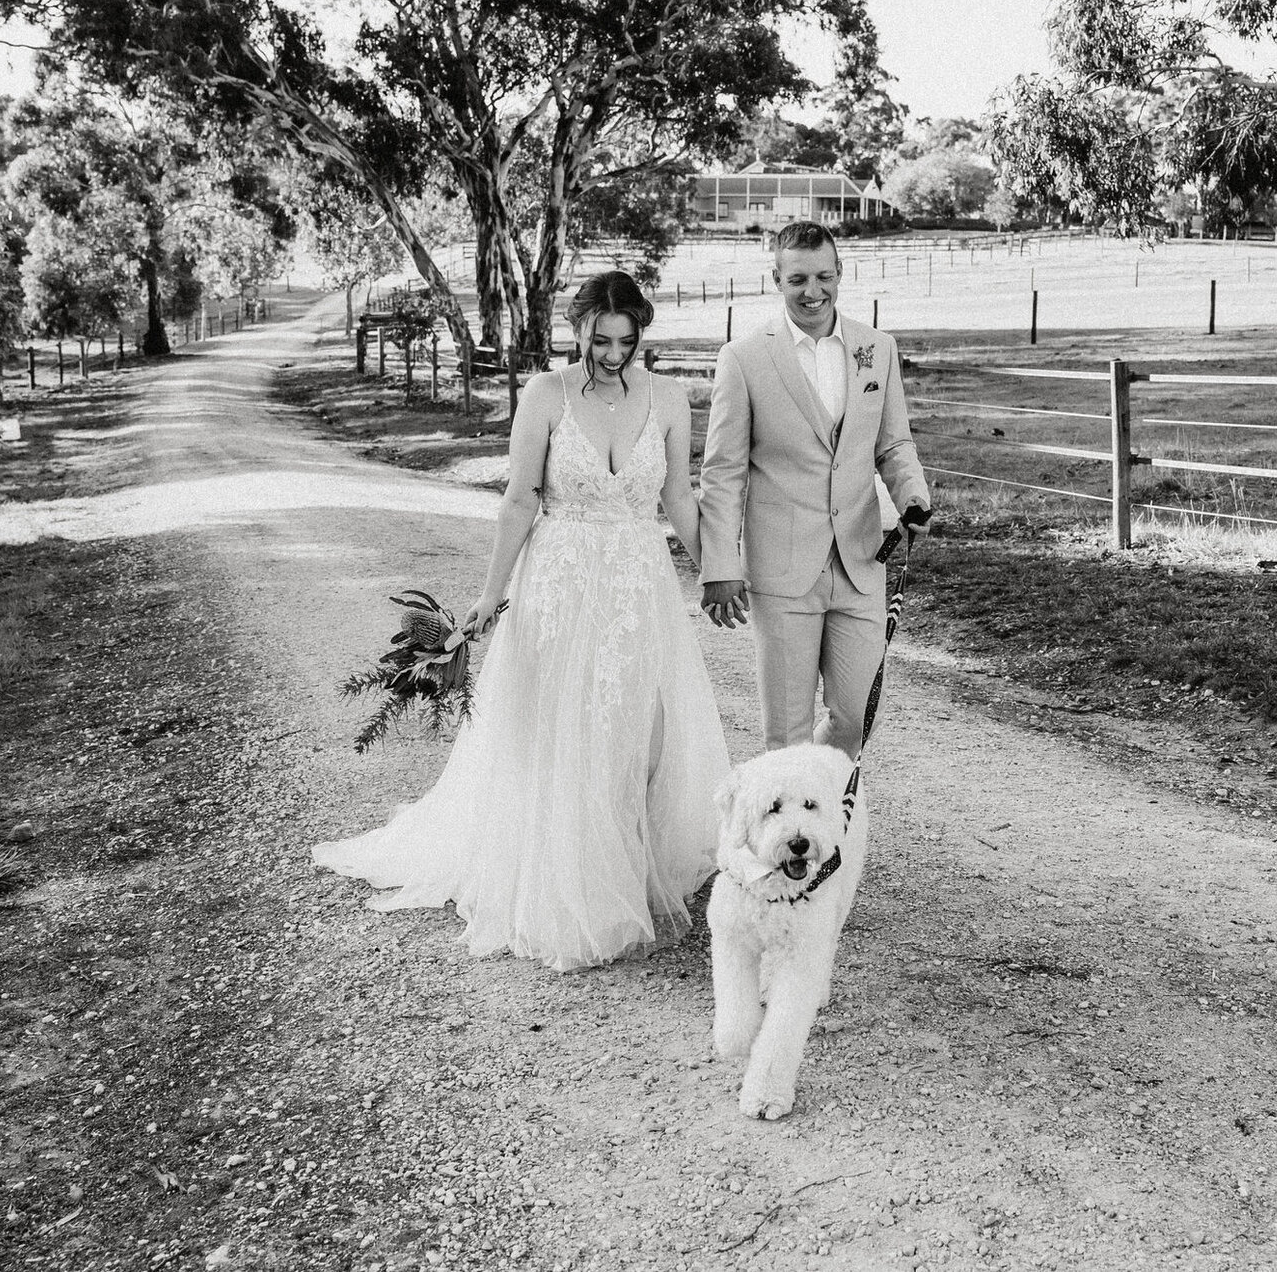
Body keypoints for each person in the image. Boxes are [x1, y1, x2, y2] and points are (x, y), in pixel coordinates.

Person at [312, 271, 732, 971]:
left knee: (635, 729)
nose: (613, 352)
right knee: (565, 725)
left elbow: (680, 496)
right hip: (561, 579)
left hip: (636, 585)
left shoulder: (667, 398)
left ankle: (621, 865)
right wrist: (488, 594)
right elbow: (518, 501)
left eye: (627, 340)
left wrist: (718, 567)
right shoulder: (545, 395)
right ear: (579, 330)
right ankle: (573, 885)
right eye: (600, 339)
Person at [699, 220, 931, 756]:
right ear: (776, 278)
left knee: (857, 716)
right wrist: (719, 565)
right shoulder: (744, 358)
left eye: (824, 277)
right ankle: (795, 838)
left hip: (861, 560)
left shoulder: (878, 348)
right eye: (798, 278)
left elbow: (894, 445)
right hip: (782, 569)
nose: (813, 291)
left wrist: (912, 496)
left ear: (840, 274)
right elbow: (723, 473)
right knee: (786, 732)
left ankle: (820, 802)